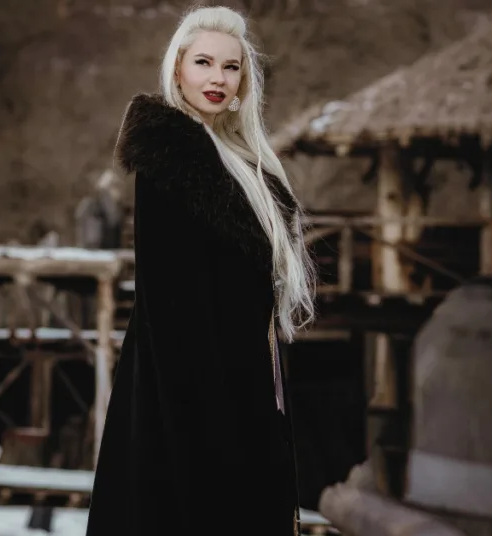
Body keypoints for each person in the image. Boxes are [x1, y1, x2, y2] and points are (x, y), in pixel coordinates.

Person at [86, 6, 317, 535]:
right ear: (178, 71)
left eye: (231, 67)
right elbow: (168, 302)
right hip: (190, 390)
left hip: (243, 384)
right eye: (204, 63)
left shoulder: (242, 163)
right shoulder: (170, 157)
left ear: (243, 82)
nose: (217, 78)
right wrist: (204, 422)